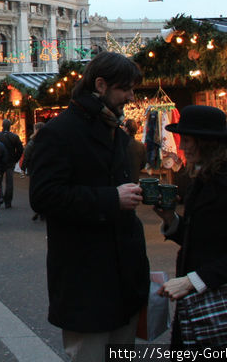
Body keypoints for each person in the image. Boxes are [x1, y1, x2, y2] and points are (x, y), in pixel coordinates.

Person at [28, 52, 149, 362]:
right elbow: (43, 196)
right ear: (100, 85)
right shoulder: (59, 133)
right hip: (86, 278)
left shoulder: (118, 134)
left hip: (124, 275)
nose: (130, 97)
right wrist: (112, 198)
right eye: (125, 90)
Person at [152, 105, 227, 347]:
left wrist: (192, 281)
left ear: (207, 142)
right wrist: (170, 220)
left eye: (188, 140)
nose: (182, 147)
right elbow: (199, 237)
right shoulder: (202, 179)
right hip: (198, 303)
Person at [0, 119, 23, 209]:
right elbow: (20, 149)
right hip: (10, 161)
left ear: (2, 126)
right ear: (10, 126)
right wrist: (15, 158)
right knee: (9, 181)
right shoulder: (14, 137)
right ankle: (8, 201)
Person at [22, 122, 45, 221]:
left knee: (36, 189)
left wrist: (23, 167)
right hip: (46, 168)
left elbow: (26, 155)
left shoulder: (33, 142)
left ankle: (38, 209)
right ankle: (44, 210)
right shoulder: (49, 140)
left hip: (35, 168)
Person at [124, 118, 146, 184]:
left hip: (123, 180)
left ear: (126, 129)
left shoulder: (121, 145)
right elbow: (143, 164)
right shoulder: (141, 145)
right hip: (135, 179)